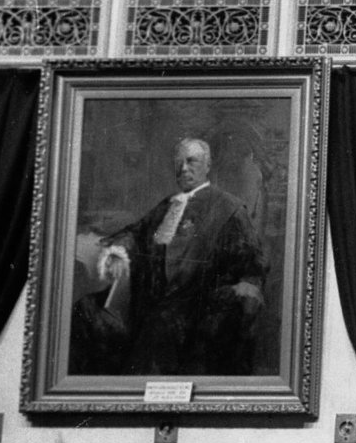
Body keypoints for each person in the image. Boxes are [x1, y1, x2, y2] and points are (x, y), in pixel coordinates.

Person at [70, 134, 268, 376]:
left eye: (191, 161)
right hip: (149, 294)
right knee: (84, 309)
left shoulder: (228, 208)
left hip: (196, 302)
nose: (184, 168)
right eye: (179, 163)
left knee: (159, 325)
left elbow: (253, 264)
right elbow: (137, 232)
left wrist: (245, 288)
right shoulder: (168, 205)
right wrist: (118, 251)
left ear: (207, 165)